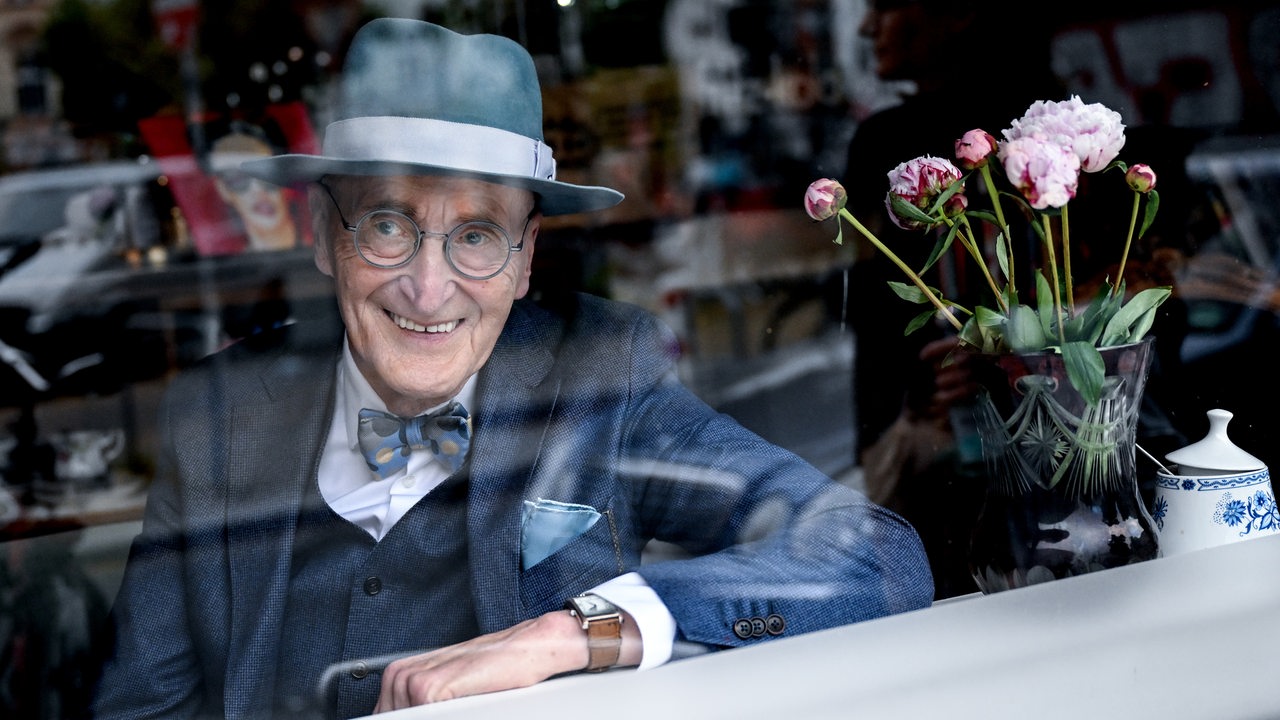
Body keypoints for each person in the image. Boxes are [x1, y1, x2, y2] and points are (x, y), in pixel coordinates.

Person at [92, 18, 933, 719]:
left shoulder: (601, 373)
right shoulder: (219, 412)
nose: (430, 287)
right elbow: (143, 707)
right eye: (387, 224)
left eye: (478, 235)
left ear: (527, 260)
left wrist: (574, 632)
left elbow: (875, 558)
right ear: (321, 235)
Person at [210, 130, 305, 252]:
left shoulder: (322, 250)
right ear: (223, 190)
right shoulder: (227, 264)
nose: (258, 190)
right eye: (237, 179)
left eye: (267, 175)